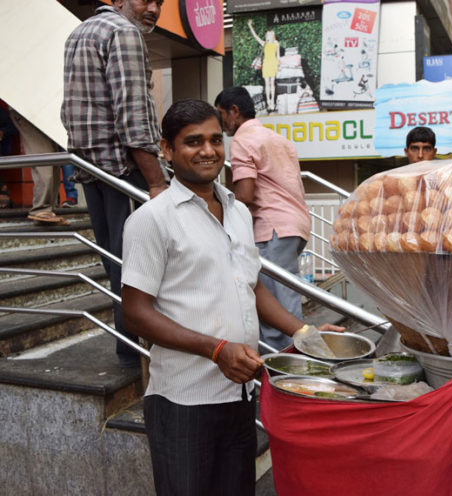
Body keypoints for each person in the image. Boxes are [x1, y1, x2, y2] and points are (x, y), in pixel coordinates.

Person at [121, 99, 341, 495]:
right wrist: (216, 349)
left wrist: (305, 332)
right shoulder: (151, 219)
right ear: (167, 150)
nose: (207, 151)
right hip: (183, 401)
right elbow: (135, 314)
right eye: (192, 142)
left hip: (239, 394)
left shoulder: (239, 211)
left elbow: (252, 285)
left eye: (214, 140)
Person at [61, 0, 168, 368]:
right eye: (146, 0)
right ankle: (144, 351)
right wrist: (156, 181)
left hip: (92, 172)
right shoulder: (124, 32)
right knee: (141, 266)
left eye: (160, 3)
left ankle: (129, 349)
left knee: (116, 263)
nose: (153, 8)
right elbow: (134, 114)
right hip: (124, 171)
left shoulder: (79, 32)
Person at [215, 87, 311, 351]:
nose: (222, 123)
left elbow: (245, 194)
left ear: (234, 112)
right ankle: (298, 362)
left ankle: (281, 372)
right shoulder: (277, 138)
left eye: (221, 114)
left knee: (274, 307)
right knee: (286, 298)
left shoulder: (242, 140)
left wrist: (222, 219)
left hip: (271, 228)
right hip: (296, 225)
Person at [9, 108, 69, 225]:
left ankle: (48, 209)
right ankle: (41, 209)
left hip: (41, 109)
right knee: (45, 162)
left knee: (53, 163)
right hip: (28, 108)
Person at [248, 19, 279, 112]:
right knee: (267, 84)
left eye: (270, 35)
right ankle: (268, 102)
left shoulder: (276, 43)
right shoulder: (264, 43)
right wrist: (250, 26)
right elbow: (255, 36)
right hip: (266, 64)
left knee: (272, 83)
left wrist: (278, 65)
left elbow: (278, 56)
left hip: (273, 63)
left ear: (273, 36)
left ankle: (272, 102)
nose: (269, 36)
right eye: (268, 35)